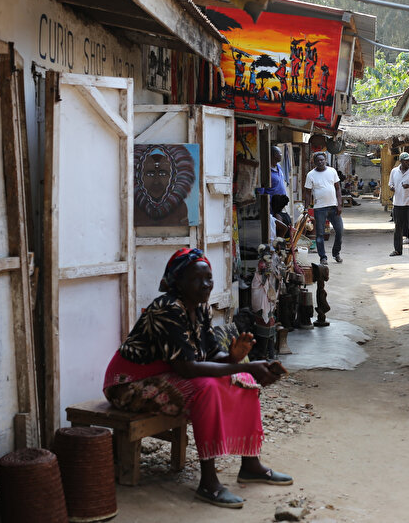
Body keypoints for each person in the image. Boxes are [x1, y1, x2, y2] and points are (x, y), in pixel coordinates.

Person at [102, 249, 292, 510]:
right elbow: (188, 369)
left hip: (162, 375)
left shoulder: (198, 307)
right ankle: (208, 482)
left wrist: (236, 359)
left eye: (209, 278)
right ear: (178, 282)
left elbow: (213, 354)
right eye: (197, 279)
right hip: (127, 384)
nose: (206, 285)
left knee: (244, 376)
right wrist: (234, 366)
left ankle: (250, 463)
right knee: (207, 388)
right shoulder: (166, 309)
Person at [304, 152, 344, 265]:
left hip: (333, 207)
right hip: (319, 208)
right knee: (320, 234)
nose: (320, 162)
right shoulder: (310, 175)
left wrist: (339, 204)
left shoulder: (332, 171)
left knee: (340, 231)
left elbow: (338, 189)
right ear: (314, 162)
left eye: (322, 160)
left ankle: (336, 253)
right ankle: (323, 257)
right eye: (318, 160)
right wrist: (306, 208)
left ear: (325, 160)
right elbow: (307, 193)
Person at [388, 152, 409, 257]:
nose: (408, 162)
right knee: (398, 228)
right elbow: (390, 184)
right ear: (401, 161)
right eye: (406, 160)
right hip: (398, 203)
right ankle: (397, 250)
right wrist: (392, 188)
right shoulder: (394, 171)